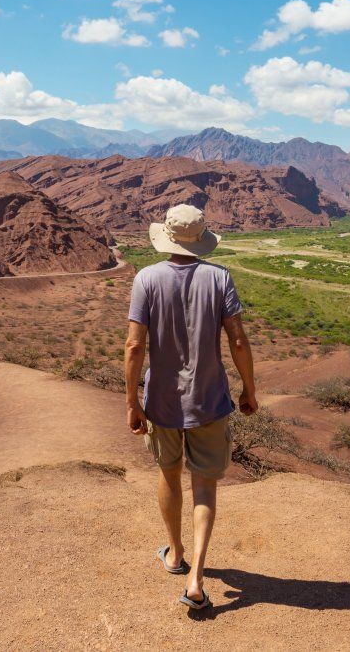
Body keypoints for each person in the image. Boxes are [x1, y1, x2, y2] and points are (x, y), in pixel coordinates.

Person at [124, 204, 258, 611]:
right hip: (209, 401)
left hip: (161, 401)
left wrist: (133, 401)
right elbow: (237, 340)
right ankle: (197, 578)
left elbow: (134, 345)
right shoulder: (220, 278)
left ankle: (176, 554)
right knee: (204, 485)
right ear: (201, 240)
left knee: (168, 475)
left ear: (166, 237)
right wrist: (250, 390)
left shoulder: (146, 279)